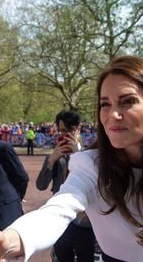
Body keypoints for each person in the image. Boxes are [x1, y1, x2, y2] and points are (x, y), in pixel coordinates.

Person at [0, 55, 143, 262]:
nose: (113, 114)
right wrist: (11, 239)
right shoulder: (91, 166)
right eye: (105, 104)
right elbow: (57, 209)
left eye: (128, 101)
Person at [36, 110, 96, 262]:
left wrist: (78, 155)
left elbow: (96, 183)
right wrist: (51, 161)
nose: (64, 134)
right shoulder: (55, 156)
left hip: (85, 221)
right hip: (61, 220)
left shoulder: (90, 155)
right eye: (61, 131)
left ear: (78, 129)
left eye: (68, 130)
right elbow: (41, 185)